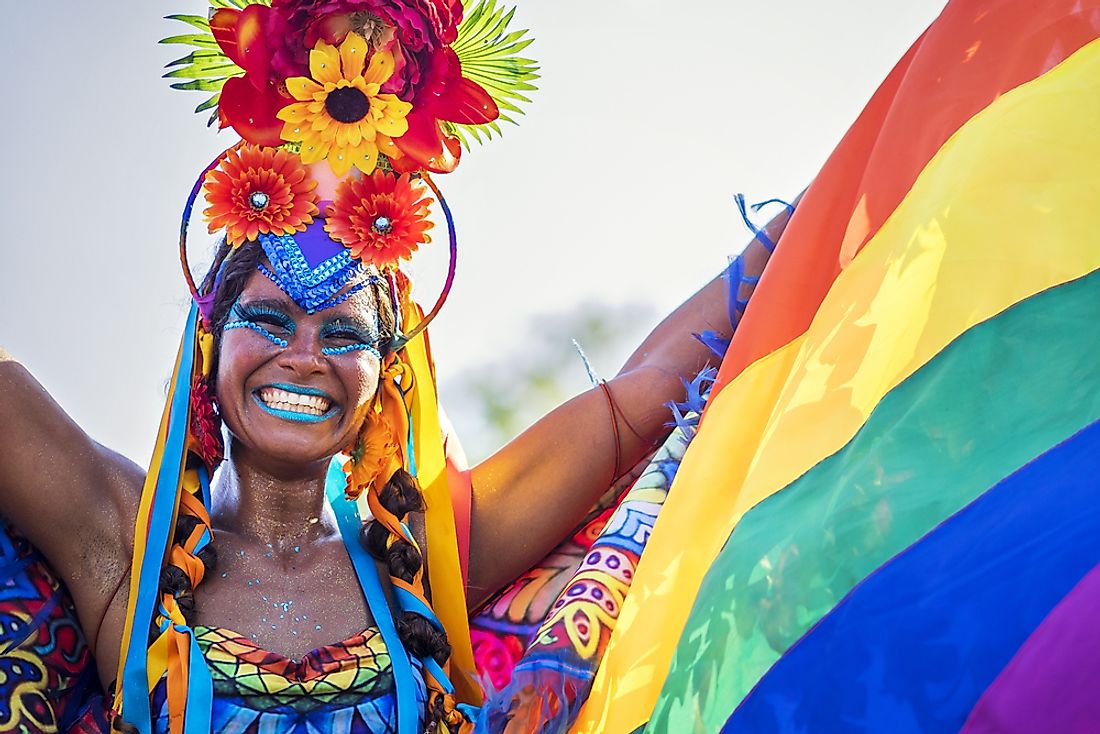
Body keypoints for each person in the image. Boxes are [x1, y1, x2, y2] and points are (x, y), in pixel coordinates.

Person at [0, 1, 790, 731]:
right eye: (269, 320)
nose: (304, 357)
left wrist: (821, 213)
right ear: (210, 339)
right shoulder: (124, 546)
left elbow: (644, 393)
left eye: (343, 334)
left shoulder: (428, 555)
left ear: (387, 371)